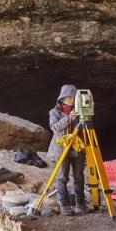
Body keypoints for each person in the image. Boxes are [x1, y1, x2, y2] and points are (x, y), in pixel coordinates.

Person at [48, 84, 87, 216]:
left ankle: (81, 205)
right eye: (68, 97)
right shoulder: (54, 112)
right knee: (62, 178)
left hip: (77, 148)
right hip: (61, 149)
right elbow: (55, 127)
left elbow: (86, 130)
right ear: (62, 98)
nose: (70, 99)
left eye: (73, 97)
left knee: (79, 177)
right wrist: (69, 117)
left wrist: (86, 117)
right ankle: (65, 206)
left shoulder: (81, 111)